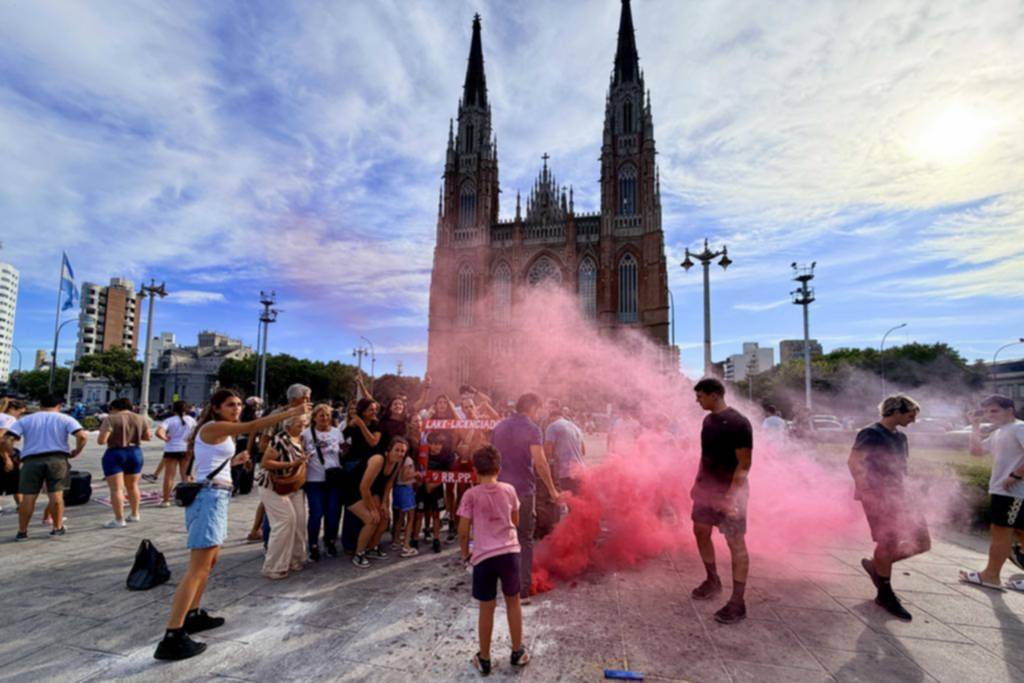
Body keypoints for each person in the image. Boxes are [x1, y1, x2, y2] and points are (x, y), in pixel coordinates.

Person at [153, 390, 308, 660]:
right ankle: (172, 634)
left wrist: (232, 461)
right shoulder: (215, 426)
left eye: (238, 404)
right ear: (216, 407)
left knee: (208, 563)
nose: (236, 408)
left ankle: (193, 614)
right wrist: (291, 413)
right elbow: (250, 426)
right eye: (230, 404)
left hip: (216, 494)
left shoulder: (217, 430)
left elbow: (209, 460)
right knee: (197, 568)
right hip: (209, 498)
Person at [848, 394, 930, 621]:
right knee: (888, 541)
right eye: (910, 415)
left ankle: (877, 566)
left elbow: (902, 469)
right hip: (877, 495)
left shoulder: (901, 437)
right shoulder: (870, 433)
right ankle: (884, 593)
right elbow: (855, 462)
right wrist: (867, 492)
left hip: (902, 495)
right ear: (895, 411)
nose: (913, 420)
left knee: (922, 543)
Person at [458, 445, 529, 675]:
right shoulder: (509, 489)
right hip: (509, 554)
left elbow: (462, 529)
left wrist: (465, 553)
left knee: (486, 607)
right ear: (499, 467)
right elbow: (515, 519)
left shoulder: (471, 494)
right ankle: (517, 652)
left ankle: (485, 658)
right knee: (513, 602)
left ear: (475, 469)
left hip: (483, 557)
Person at [689, 378, 753, 625]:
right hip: (706, 490)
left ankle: (738, 602)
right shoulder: (708, 420)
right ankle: (712, 580)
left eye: (700, 396)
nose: (697, 400)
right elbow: (705, 457)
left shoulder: (739, 423)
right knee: (700, 531)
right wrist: (697, 483)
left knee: (735, 543)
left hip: (732, 492)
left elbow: (744, 464)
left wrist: (731, 498)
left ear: (715, 395)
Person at [492, 392, 560, 600]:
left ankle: (501, 581)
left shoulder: (499, 427)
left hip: (499, 489)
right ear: (532, 408)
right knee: (524, 537)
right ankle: (522, 587)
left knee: (502, 536)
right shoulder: (532, 428)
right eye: (539, 409)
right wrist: (551, 489)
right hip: (522, 491)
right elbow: (540, 462)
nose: (539, 413)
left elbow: (492, 456)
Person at [0, 393, 86, 540]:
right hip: (57, 459)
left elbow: (6, 439)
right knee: (56, 495)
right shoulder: (66, 418)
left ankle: (22, 531)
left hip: (31, 461)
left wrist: (12, 453)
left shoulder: (26, 420)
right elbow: (82, 436)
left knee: (28, 497)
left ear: (40, 405)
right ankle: (57, 528)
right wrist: (76, 451)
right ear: (59, 406)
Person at [960, 395, 1024, 590]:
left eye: (994, 411)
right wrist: (974, 426)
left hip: (1013, 491)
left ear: (1010, 410)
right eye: (986, 411)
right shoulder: (1000, 432)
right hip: (1003, 490)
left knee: (1001, 531)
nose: (989, 415)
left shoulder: (1019, 428)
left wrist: (1016, 475)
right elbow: (976, 452)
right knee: (1020, 533)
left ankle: (991, 576)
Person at [246, 385, 311, 543]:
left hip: (298, 470)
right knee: (272, 506)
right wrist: (281, 453)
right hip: (277, 469)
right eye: (306, 398)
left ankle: (265, 534)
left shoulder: (308, 415)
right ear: (295, 399)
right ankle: (268, 542)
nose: (309, 401)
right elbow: (264, 442)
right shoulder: (278, 415)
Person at [257, 413, 310, 580]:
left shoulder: (299, 439)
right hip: (273, 485)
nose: (302, 426)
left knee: (299, 521)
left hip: (293, 485)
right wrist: (291, 464)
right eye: (299, 423)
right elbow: (266, 462)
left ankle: (295, 559)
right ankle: (273, 566)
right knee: (285, 521)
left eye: (304, 423)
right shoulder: (280, 439)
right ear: (288, 425)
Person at [350, 437, 407, 567]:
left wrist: (384, 504)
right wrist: (372, 509)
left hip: (372, 490)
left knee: (385, 518)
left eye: (402, 451)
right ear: (389, 450)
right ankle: (359, 554)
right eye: (396, 450)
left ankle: (372, 548)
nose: (399, 453)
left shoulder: (398, 462)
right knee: (372, 519)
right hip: (353, 490)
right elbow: (363, 487)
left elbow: (389, 483)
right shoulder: (378, 459)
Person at [97, 397, 152, 528]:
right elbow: (148, 437)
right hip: (135, 452)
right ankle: (135, 514)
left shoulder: (110, 419)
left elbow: (102, 440)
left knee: (116, 489)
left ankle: (119, 519)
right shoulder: (140, 418)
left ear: (114, 407)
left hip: (115, 453)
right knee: (133, 486)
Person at [301, 403, 344, 561]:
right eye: (321, 415)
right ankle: (313, 545)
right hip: (314, 480)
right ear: (314, 418)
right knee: (316, 513)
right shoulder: (306, 434)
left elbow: (342, 451)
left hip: (333, 479)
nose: (325, 418)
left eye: (327, 415)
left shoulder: (337, 432)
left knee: (332, 513)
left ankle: (330, 540)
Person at [154, 400, 196, 508]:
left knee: (169, 476)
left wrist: (165, 438)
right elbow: (196, 432)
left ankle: (166, 500)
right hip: (186, 449)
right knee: (185, 475)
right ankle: (187, 497)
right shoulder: (191, 420)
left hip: (172, 449)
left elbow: (158, 432)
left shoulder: (169, 420)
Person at [544, 405, 586, 495]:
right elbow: (583, 451)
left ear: (551, 417)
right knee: (578, 502)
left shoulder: (552, 427)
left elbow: (547, 450)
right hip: (581, 470)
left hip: (566, 472)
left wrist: (548, 466)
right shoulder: (575, 427)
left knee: (567, 502)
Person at [0, 398, 27, 515]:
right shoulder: (9, 419)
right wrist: (7, 458)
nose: (20, 417)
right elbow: (1, 440)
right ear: (12, 409)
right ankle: (21, 506)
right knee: (16, 481)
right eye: (20, 413)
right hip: (4, 453)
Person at [391, 446, 419, 557]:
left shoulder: (398, 459)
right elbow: (404, 477)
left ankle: (396, 541)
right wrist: (416, 474)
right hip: (406, 489)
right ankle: (406, 546)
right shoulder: (408, 460)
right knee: (411, 518)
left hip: (397, 489)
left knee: (400, 517)